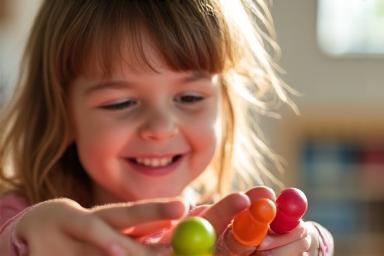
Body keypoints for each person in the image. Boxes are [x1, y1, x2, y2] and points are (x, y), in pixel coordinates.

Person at [0, 0, 334, 255]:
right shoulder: (22, 216)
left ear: (224, 102)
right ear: (61, 113)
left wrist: (308, 242)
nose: (161, 128)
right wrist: (22, 238)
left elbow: (318, 242)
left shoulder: (228, 225)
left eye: (189, 97)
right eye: (120, 103)